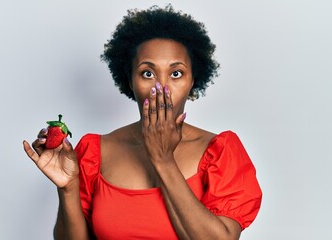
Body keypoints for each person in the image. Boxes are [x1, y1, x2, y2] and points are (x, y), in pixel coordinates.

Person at [23, 5, 262, 240]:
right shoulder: (95, 152)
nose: (162, 88)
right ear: (130, 81)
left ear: (193, 81)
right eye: (148, 73)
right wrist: (68, 189)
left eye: (176, 73)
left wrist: (162, 159)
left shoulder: (221, 152)